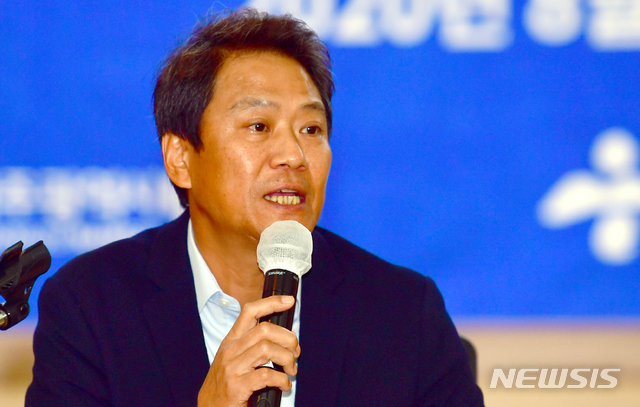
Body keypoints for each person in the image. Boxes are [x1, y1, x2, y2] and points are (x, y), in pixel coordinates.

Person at [26, 8, 484, 407]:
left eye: (311, 129)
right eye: (259, 126)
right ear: (181, 158)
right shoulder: (93, 305)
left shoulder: (402, 314)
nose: (293, 156)